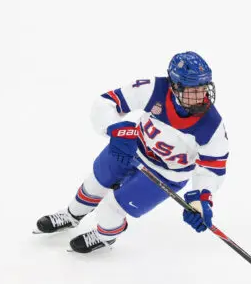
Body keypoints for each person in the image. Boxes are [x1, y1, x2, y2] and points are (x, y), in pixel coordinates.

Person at [35, 51, 229, 253]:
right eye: (192, 91)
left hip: (166, 174)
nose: (200, 97)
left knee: (111, 207)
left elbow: (212, 169)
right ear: (174, 86)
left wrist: (200, 201)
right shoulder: (154, 89)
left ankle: (105, 236)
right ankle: (70, 215)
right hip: (131, 148)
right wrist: (114, 129)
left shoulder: (212, 126)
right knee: (95, 182)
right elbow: (106, 102)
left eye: (203, 89)